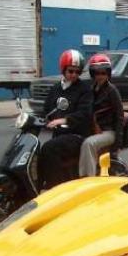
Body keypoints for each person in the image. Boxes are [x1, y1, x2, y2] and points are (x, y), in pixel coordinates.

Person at [39, 49, 93, 189]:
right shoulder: (56, 88)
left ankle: (56, 187)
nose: (74, 74)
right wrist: (43, 119)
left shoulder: (84, 89)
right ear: (63, 70)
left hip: (77, 135)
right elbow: (47, 108)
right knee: (38, 151)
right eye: (70, 71)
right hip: (60, 134)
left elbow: (84, 112)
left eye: (77, 71)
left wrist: (64, 120)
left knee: (49, 149)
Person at [78, 54, 124, 177]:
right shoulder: (92, 89)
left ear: (108, 74)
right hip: (94, 130)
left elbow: (120, 116)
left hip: (108, 132)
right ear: (93, 74)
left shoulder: (112, 91)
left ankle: (87, 178)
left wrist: (117, 144)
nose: (100, 76)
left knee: (89, 143)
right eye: (97, 73)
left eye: (103, 73)